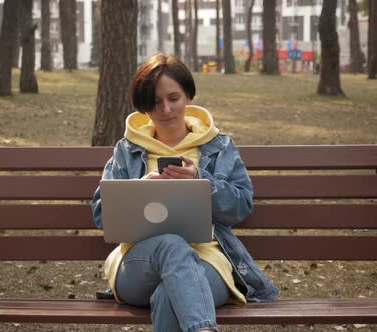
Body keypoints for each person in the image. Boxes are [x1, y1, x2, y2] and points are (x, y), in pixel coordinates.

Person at [91, 53, 279, 332]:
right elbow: (101, 214)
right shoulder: (127, 150)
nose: (166, 109)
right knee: (171, 244)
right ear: (144, 106)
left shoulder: (218, 147)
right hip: (138, 265)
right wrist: (141, 187)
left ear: (188, 96)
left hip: (207, 263)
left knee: (171, 295)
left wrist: (203, 182)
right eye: (155, 102)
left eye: (174, 98)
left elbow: (241, 205)